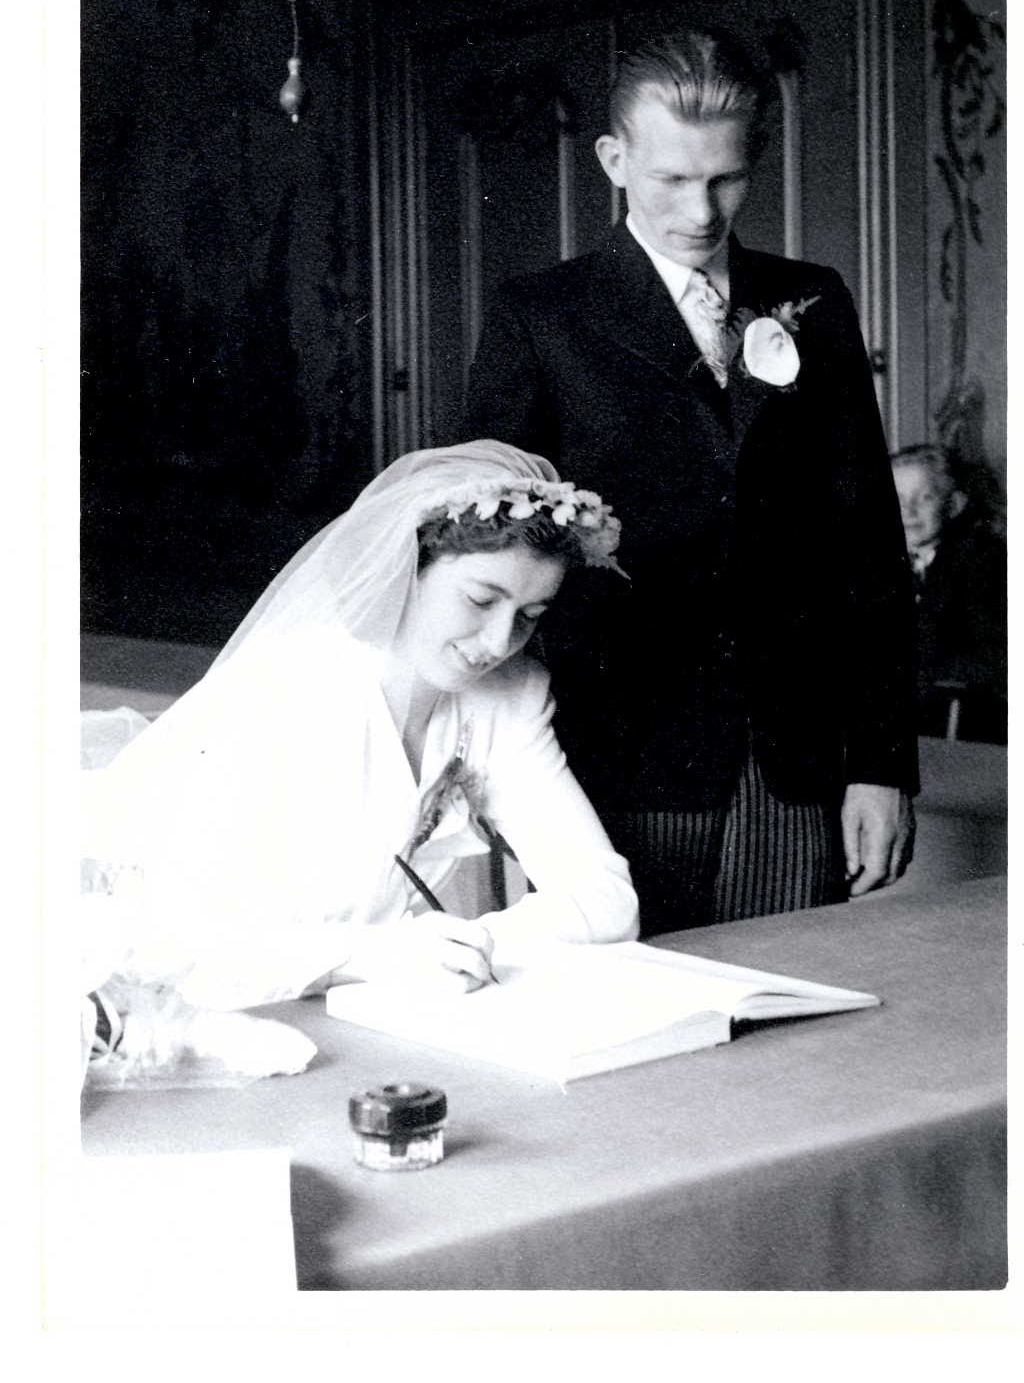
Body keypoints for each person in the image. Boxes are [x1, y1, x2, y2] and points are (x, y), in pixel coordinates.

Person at [465, 25, 918, 936]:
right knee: (628, 1011)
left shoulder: (817, 300)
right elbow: (482, 546)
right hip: (612, 753)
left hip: (793, 761)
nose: (702, 211)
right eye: (672, 179)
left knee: (797, 1003)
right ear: (613, 160)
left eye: (726, 178)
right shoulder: (540, 316)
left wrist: (881, 764)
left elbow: (868, 545)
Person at [80, 440, 638, 1080]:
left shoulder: (509, 697)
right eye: (481, 601)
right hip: (201, 1036)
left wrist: (467, 945)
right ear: (407, 570)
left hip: (367, 1024)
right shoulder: (285, 692)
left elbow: (606, 898)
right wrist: (372, 954)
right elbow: (170, 946)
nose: (498, 642)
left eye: (529, 616)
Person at [891, 444, 1007, 743]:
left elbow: (997, 654)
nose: (908, 510)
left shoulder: (983, 561)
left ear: (954, 504)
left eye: (925, 497)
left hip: (952, 717)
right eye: (897, 498)